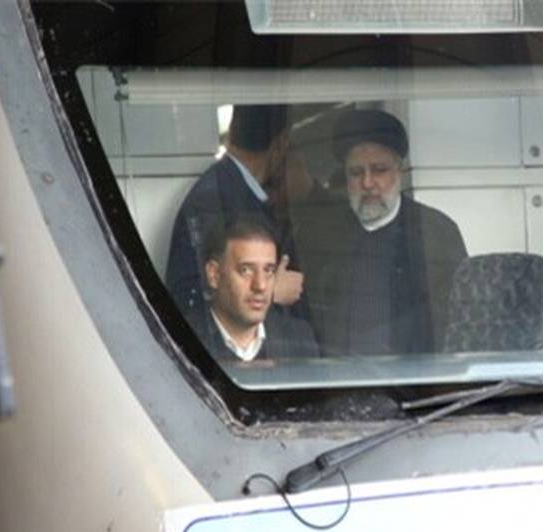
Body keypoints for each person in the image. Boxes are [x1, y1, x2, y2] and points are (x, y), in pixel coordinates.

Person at [301, 109, 468, 356]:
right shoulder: (320, 235)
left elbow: (458, 321)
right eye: (356, 173)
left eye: (379, 170)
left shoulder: (436, 232)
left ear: (399, 172)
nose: (367, 183)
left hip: (416, 373)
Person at [165, 105, 306, 328]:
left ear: (232, 132)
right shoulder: (216, 201)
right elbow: (190, 297)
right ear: (281, 145)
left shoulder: (229, 189)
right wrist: (272, 293)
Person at [194, 215, 318, 362]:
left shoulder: (298, 339)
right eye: (245, 270)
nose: (260, 285)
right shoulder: (180, 341)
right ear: (214, 275)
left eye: (268, 270)